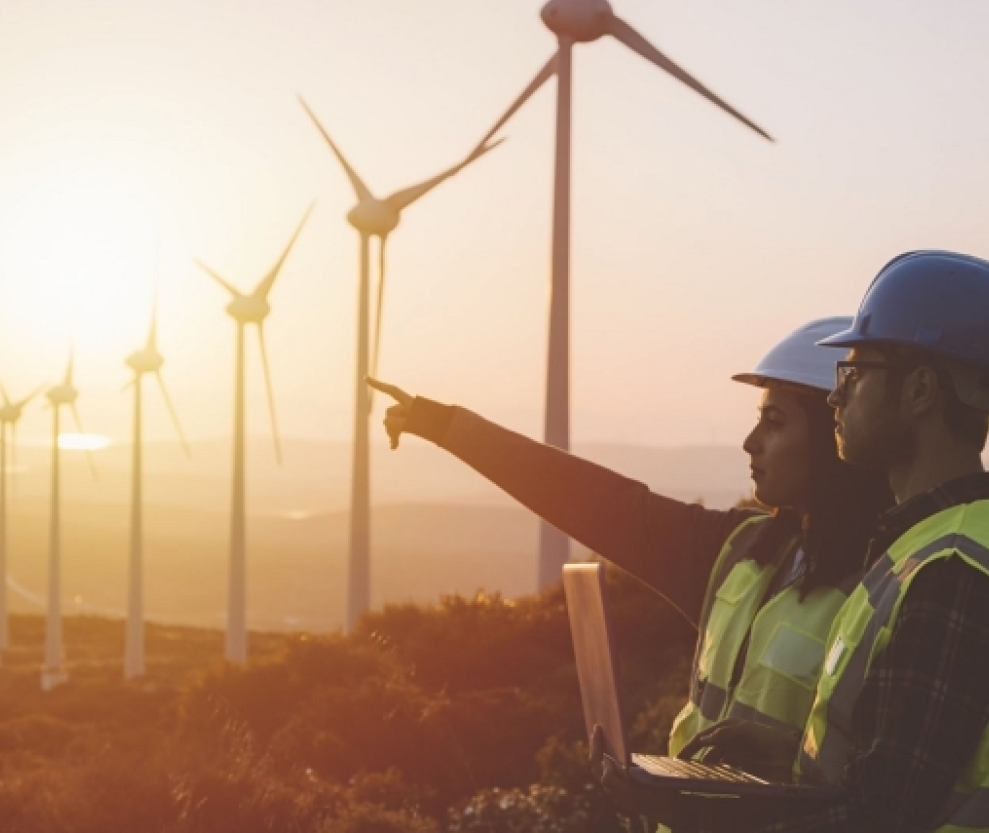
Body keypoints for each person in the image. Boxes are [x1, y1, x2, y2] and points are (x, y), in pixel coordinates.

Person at [368, 317, 892, 775]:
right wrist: (445, 426)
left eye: (774, 423)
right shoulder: (738, 552)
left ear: (834, 437)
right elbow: (589, 498)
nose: (750, 441)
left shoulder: (891, 584)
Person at [645, 251, 989, 832]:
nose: (835, 396)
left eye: (853, 375)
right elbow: (891, 771)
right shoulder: (918, 549)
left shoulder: (952, 569)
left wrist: (701, 813)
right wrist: (794, 754)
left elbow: (881, 816)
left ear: (921, 391)